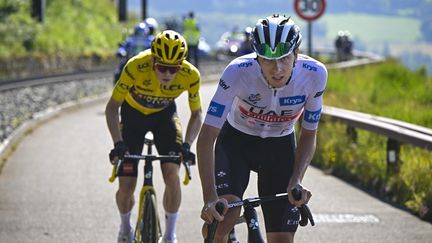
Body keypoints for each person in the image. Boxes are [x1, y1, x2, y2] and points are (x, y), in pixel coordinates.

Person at [197, 14, 327, 243]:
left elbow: (309, 133)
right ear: (257, 58)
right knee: (222, 222)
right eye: (267, 59)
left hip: (279, 147)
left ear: (296, 54)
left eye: (284, 58)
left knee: (282, 239)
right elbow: (207, 135)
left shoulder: (314, 75)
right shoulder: (238, 71)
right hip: (236, 143)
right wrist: (210, 197)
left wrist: (296, 179)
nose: (277, 68)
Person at [106, 30, 203, 243]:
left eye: (174, 69)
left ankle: (170, 235)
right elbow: (112, 108)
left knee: (172, 175)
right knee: (126, 186)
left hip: (164, 118)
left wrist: (187, 145)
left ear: (182, 65)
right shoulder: (135, 66)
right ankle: (125, 228)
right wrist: (117, 143)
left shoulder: (191, 74)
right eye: (162, 67)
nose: (168, 74)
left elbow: (197, 114)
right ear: (152, 60)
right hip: (133, 118)